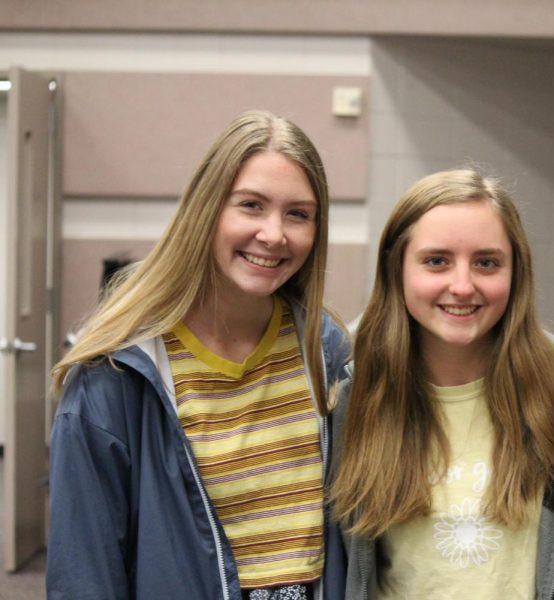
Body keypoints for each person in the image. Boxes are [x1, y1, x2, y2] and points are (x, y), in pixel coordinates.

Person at [47, 110, 350, 600]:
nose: (275, 234)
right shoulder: (115, 373)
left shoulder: (325, 349)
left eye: (298, 214)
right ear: (207, 209)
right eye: (251, 206)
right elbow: (85, 575)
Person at [329, 168, 554, 599]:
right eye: (436, 260)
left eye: (487, 263)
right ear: (396, 268)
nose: (463, 285)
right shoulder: (352, 396)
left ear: (516, 272)